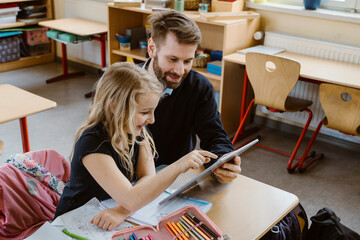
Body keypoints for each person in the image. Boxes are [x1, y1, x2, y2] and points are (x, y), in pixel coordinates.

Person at [54, 62, 217, 230]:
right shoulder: (92, 144)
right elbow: (131, 198)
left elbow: (148, 178)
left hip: (108, 213)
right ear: (114, 105)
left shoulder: (137, 132)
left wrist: (122, 211)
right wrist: (178, 166)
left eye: (153, 111)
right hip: (72, 224)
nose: (152, 120)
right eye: (145, 112)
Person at [141, 11, 241, 183]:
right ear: (152, 48)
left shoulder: (199, 87)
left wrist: (224, 160)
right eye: (172, 59)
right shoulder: (119, 85)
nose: (180, 71)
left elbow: (214, 134)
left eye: (187, 61)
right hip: (129, 182)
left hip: (176, 178)